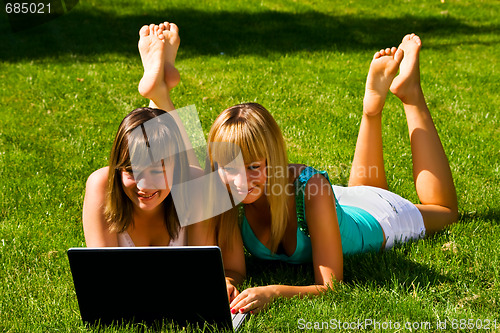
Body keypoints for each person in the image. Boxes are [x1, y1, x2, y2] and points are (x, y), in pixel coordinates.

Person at [206, 34, 458, 314]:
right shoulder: (225, 191)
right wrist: (228, 282)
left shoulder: (310, 188)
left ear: (274, 159)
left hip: (382, 217)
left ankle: (411, 95)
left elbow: (330, 286)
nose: (240, 181)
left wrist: (274, 292)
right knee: (363, 186)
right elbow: (233, 269)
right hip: (340, 202)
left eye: (253, 166)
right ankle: (371, 109)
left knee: (445, 211)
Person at [82, 23, 212, 247]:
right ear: (118, 166)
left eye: (156, 170)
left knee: (193, 174)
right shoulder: (101, 185)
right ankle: (160, 91)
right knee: (176, 160)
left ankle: (160, 88)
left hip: (189, 178)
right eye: (132, 171)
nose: (144, 185)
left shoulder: (192, 180)